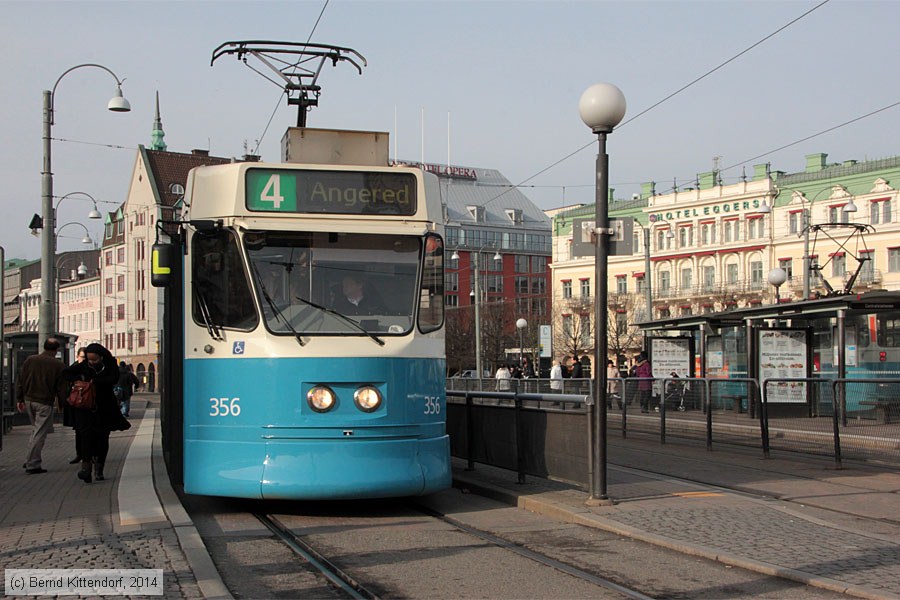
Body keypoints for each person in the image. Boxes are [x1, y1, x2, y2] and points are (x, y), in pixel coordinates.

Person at [62, 343, 131, 483]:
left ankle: (99, 468)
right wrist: (79, 381)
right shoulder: (84, 365)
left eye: (95, 360)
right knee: (85, 436)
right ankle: (86, 468)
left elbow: (114, 378)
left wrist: (96, 382)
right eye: (89, 360)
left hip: (104, 407)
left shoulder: (110, 364)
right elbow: (66, 373)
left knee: (102, 438)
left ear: (102, 357)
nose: (92, 362)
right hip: (86, 407)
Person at [16, 337, 67, 474]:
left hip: (28, 400)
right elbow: (61, 388)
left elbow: (20, 380)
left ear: (44, 346)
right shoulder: (58, 365)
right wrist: (63, 405)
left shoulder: (30, 360)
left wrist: (19, 399)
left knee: (35, 431)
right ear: (56, 350)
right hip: (44, 402)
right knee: (40, 434)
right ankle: (33, 464)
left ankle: (29, 459)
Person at [63, 347, 88, 465]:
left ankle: (88, 454)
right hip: (75, 404)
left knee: (86, 430)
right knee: (78, 430)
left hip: (87, 403)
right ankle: (80, 454)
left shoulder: (90, 369)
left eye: (86, 358)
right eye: (82, 357)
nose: (84, 360)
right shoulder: (73, 369)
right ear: (77, 356)